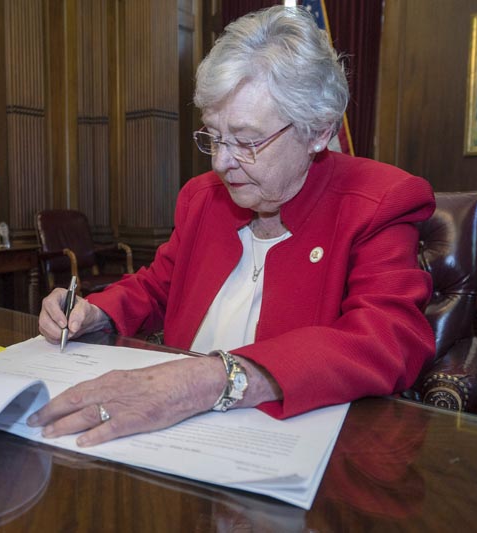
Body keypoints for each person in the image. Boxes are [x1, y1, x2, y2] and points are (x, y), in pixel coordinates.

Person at [29, 6, 435, 447]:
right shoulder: (203, 197)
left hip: (297, 447)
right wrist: (96, 312)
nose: (222, 162)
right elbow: (158, 287)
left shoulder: (380, 201)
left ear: (318, 130)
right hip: (176, 437)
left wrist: (210, 378)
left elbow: (388, 341)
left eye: (246, 141)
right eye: (214, 136)